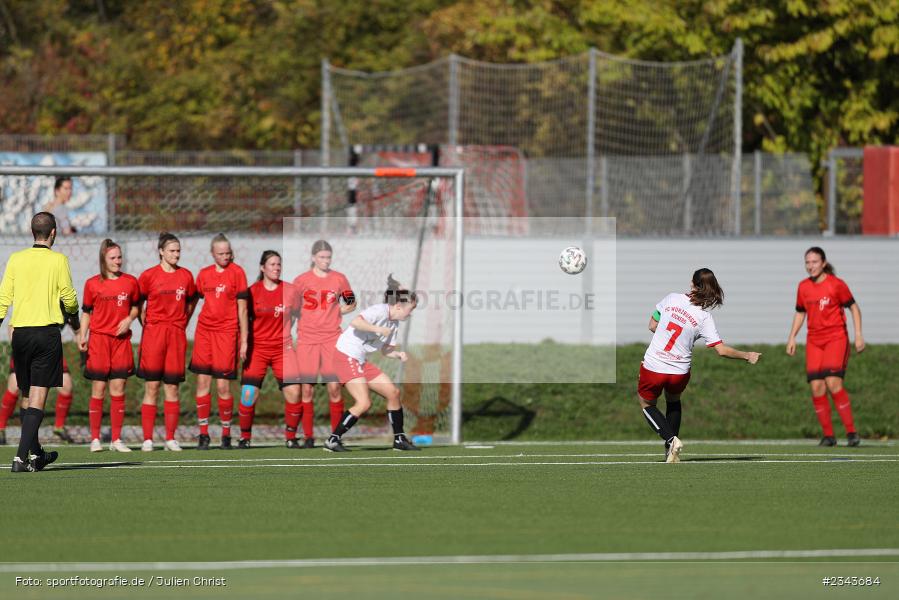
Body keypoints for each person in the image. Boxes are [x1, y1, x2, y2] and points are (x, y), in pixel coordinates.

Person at [639, 268, 761, 463]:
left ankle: (671, 440)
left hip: (654, 365)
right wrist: (747, 355)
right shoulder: (704, 318)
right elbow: (721, 350)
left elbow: (652, 325)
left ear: (692, 284)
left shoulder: (671, 298)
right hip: (679, 371)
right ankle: (670, 451)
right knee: (673, 400)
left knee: (646, 404)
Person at [0, 212, 79, 472]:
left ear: (32, 231)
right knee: (38, 396)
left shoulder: (16, 259)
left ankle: (36, 454)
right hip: (45, 334)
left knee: (25, 394)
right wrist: (75, 319)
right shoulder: (58, 260)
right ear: (53, 232)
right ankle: (21, 459)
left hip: (20, 334)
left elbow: (3, 298)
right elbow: (68, 296)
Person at [324, 274, 421, 453]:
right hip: (345, 355)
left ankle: (399, 439)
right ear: (399, 306)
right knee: (363, 402)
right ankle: (333, 440)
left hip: (359, 360)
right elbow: (355, 321)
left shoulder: (395, 324)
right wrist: (377, 328)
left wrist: (398, 354)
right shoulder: (379, 311)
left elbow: (386, 350)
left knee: (393, 392)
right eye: (410, 308)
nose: (411, 313)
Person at [786, 247, 864, 447]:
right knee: (816, 387)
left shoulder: (836, 285)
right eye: (807, 262)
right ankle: (829, 436)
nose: (810, 266)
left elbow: (854, 308)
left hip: (836, 338)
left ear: (823, 263)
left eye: (814, 262)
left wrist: (858, 335)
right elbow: (800, 313)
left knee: (833, 382)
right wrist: (792, 337)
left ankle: (851, 433)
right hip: (814, 341)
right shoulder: (803, 287)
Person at [78, 239, 141, 452]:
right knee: (99, 389)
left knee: (118, 388)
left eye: (119, 257)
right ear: (103, 260)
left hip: (121, 343)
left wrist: (129, 319)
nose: (117, 261)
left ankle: (116, 440)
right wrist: (83, 335)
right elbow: (86, 311)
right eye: (113, 258)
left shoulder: (131, 282)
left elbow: (136, 307)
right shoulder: (92, 284)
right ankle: (95, 439)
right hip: (99, 341)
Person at [292, 240, 356, 448]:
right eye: (321, 257)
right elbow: (292, 309)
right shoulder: (301, 281)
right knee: (306, 389)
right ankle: (308, 436)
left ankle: (335, 437)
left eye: (328, 257)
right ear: (313, 258)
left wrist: (338, 311)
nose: (325, 261)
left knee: (335, 388)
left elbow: (351, 302)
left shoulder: (339, 279)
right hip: (307, 340)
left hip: (331, 339)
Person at [137, 233, 197, 452]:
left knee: (172, 388)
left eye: (178, 250)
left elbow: (192, 301)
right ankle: (147, 439)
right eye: (172, 250)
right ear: (161, 251)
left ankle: (170, 439)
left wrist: (182, 323)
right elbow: (138, 304)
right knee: (152, 387)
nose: (176, 254)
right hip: (154, 335)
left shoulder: (186, 276)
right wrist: (149, 325)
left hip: (176, 335)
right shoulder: (148, 276)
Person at [188, 234, 248, 450]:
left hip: (227, 333)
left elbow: (242, 308)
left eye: (228, 253)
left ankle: (225, 434)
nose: (225, 256)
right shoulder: (204, 274)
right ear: (212, 254)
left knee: (223, 386)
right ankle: (203, 434)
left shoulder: (238, 272)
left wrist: (244, 340)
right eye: (221, 253)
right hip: (205, 332)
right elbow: (194, 300)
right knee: (203, 383)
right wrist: (183, 322)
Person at [237, 250, 302, 448]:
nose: (276, 268)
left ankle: (291, 438)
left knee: (294, 393)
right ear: (262, 268)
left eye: (279, 264)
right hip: (258, 348)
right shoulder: (252, 291)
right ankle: (245, 438)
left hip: (283, 348)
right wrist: (245, 342)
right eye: (272, 264)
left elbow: (301, 316)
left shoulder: (291, 291)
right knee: (248, 395)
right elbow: (243, 318)